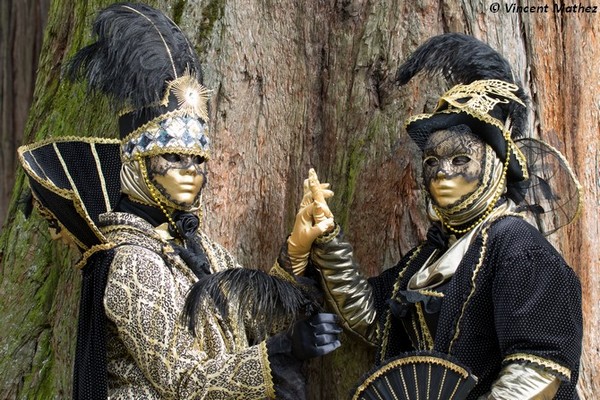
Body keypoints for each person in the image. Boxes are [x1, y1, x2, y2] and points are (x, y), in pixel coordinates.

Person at [18, 3, 340, 399]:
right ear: (137, 163)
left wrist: (297, 246)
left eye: (198, 160)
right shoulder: (132, 263)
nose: (190, 170)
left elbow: (251, 320)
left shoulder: (202, 249)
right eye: (172, 157)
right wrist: (285, 349)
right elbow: (182, 381)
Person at [298, 33, 583, 399]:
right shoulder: (426, 259)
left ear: (495, 164)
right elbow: (371, 317)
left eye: (461, 159)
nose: (442, 173)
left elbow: (538, 372)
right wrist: (326, 236)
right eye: (432, 161)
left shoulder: (517, 247)